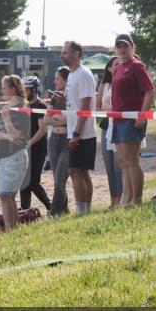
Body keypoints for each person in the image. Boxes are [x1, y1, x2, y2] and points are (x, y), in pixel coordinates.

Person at [110, 35, 155, 206]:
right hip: (118, 119)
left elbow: (149, 91)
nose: (122, 49)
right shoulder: (118, 67)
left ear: (132, 47)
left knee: (131, 160)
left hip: (131, 118)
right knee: (123, 162)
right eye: (119, 46)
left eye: (125, 46)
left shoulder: (136, 66)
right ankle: (128, 199)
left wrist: (142, 115)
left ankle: (137, 199)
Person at [61, 41, 97, 214]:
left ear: (76, 54)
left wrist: (76, 133)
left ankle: (82, 209)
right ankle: (85, 209)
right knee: (79, 172)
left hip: (83, 132)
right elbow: (76, 101)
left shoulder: (83, 74)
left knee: (76, 171)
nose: (62, 55)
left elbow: (85, 105)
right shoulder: (72, 74)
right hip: (74, 130)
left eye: (65, 52)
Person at [0, 75, 30, 230]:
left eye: (4, 87)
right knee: (7, 195)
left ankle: (10, 229)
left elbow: (17, 136)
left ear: (13, 89)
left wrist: (7, 119)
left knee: (5, 195)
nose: (1, 91)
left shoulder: (22, 109)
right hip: (1, 157)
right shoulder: (4, 108)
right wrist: (6, 136)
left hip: (14, 157)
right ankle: (13, 229)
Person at [20, 76, 51, 213]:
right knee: (24, 182)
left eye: (26, 89)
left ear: (34, 90)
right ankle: (24, 211)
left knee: (32, 181)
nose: (24, 92)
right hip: (26, 148)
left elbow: (42, 130)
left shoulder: (40, 105)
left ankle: (51, 206)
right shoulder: (26, 105)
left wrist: (29, 143)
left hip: (38, 148)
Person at [44, 67, 71, 215]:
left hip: (67, 140)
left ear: (66, 80)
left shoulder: (71, 97)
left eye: (57, 79)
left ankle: (53, 212)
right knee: (57, 179)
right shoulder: (54, 98)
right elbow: (46, 119)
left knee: (60, 180)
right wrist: (62, 120)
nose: (55, 82)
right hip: (53, 140)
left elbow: (71, 119)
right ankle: (64, 209)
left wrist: (56, 119)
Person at [96, 59, 123, 207]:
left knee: (118, 166)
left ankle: (121, 197)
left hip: (119, 124)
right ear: (109, 69)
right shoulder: (105, 84)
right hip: (107, 125)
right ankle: (114, 199)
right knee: (109, 166)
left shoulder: (124, 81)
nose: (119, 66)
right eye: (115, 64)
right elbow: (98, 105)